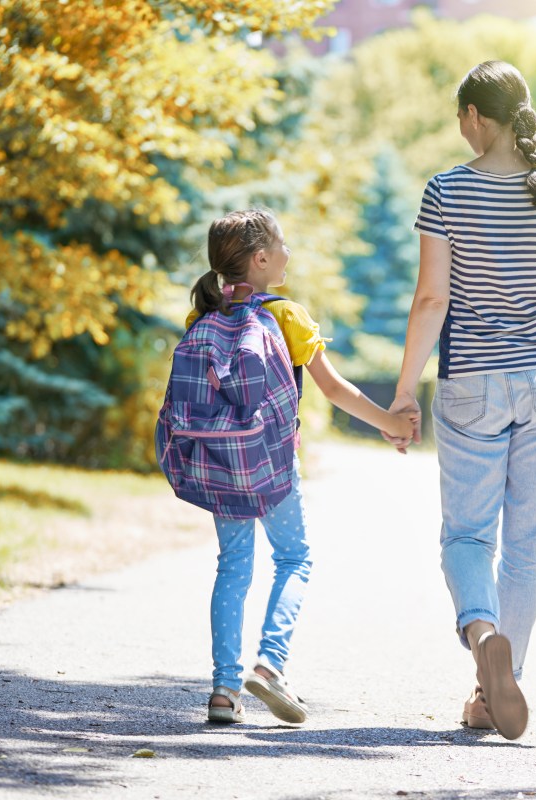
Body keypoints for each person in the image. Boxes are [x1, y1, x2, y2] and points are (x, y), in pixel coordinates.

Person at [386, 61, 536, 741]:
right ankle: (496, 691)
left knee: (468, 535)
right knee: (527, 547)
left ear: (473, 117)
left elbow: (432, 299)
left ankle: (483, 633)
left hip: (471, 382)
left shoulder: (447, 192)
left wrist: (404, 391)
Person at [185, 209, 417, 725]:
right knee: (294, 557)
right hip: (271, 463)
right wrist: (391, 422)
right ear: (262, 258)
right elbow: (335, 389)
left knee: (232, 566)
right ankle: (269, 665)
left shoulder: (201, 314)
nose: (289, 253)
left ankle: (224, 690)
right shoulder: (287, 314)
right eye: (282, 245)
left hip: (220, 462)